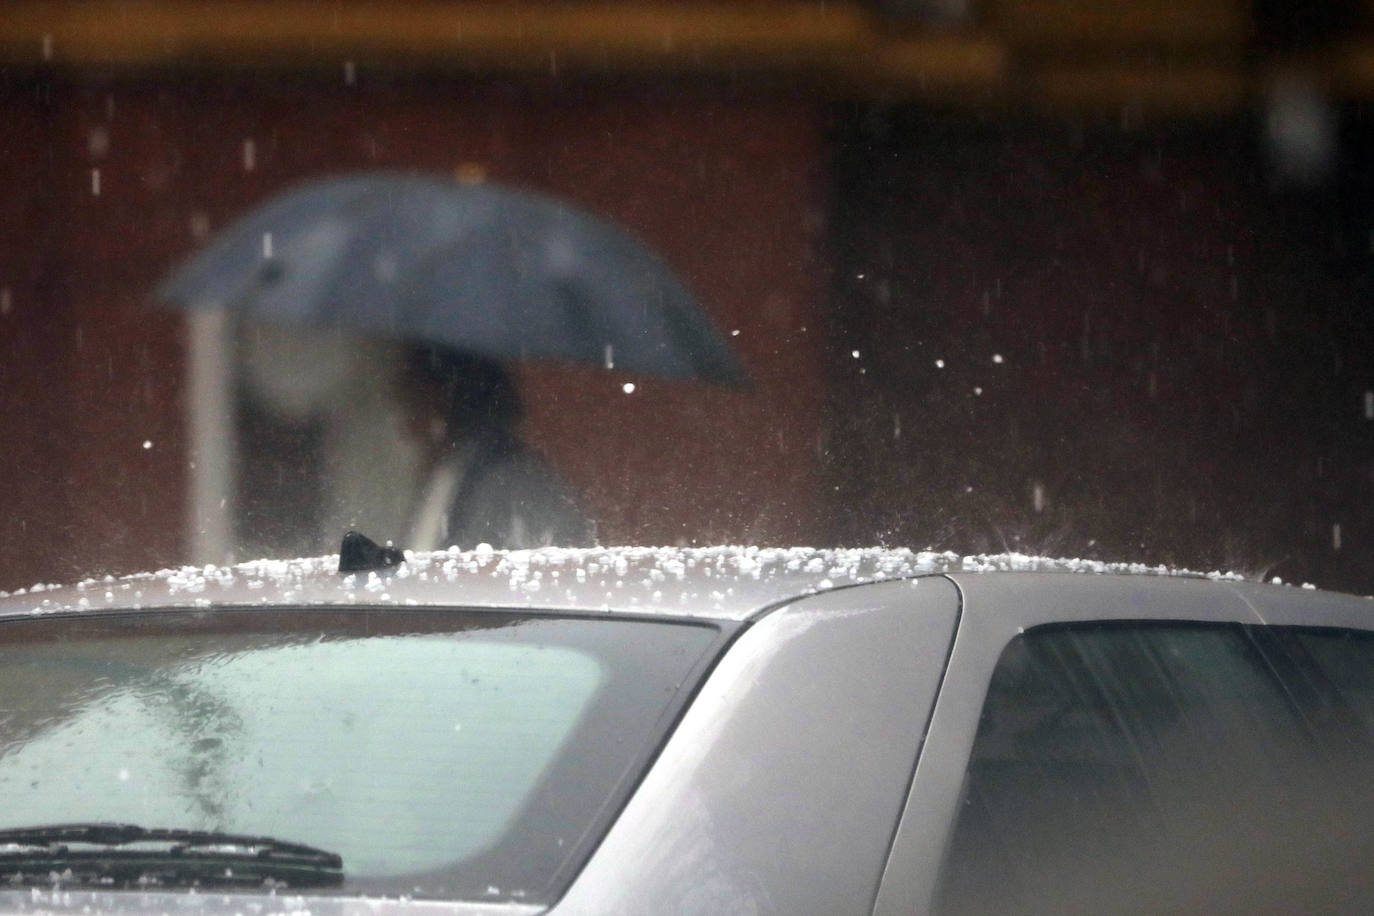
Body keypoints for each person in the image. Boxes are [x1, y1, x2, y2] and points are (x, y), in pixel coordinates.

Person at [396, 343, 594, 551]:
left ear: (444, 399)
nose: (403, 422)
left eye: (411, 401)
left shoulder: (510, 480)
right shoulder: (453, 473)